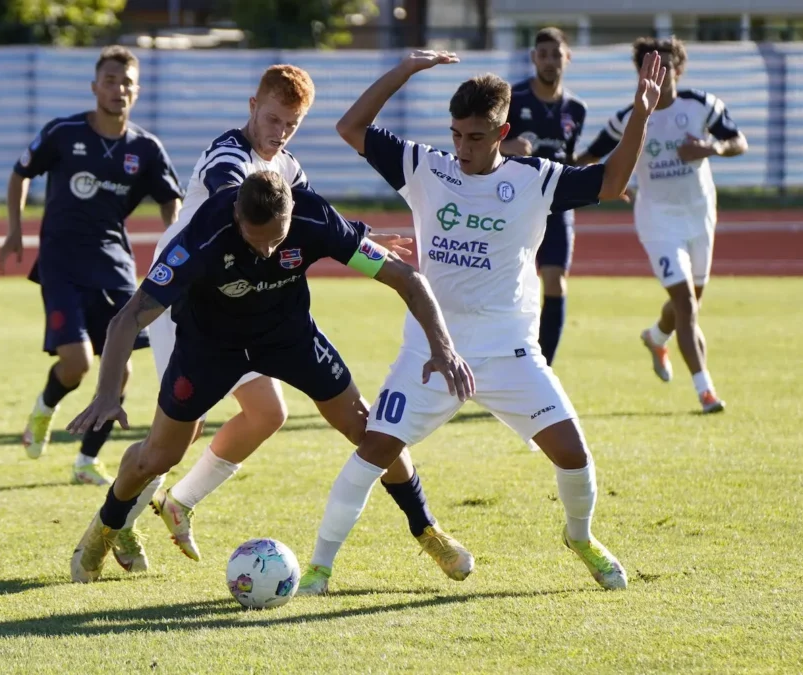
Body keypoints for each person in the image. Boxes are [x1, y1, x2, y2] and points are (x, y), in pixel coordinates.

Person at [296, 49, 669, 595]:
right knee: (374, 450)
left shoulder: (535, 180)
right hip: (430, 350)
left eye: (474, 137)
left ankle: (580, 538)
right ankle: (320, 568)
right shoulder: (426, 167)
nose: (462, 148)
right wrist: (404, 69)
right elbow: (351, 127)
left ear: (502, 132)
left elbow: (612, 183)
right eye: (456, 134)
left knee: (573, 454)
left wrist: (641, 112)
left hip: (509, 351)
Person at [66, 171, 476, 584]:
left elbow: (407, 278)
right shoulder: (203, 234)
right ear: (236, 215)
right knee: (159, 456)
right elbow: (128, 318)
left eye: (277, 239)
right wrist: (105, 395)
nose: (265, 250)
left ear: (292, 212)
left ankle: (427, 529)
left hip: (288, 338)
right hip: (209, 348)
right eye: (254, 238)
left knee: (371, 429)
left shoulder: (314, 217)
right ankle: (105, 527)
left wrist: (443, 349)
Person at [140, 65, 442, 569]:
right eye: (273, 118)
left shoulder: (289, 166)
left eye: (291, 124)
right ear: (253, 104)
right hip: (182, 301)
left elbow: (313, 218)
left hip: (245, 305)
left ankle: (179, 502)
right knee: (177, 433)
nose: (279, 132)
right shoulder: (228, 156)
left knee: (268, 414)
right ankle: (121, 521)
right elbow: (229, 198)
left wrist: (362, 237)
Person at [0, 45, 183, 485]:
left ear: (137, 92)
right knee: (77, 363)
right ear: (95, 86)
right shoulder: (63, 133)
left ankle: (86, 461)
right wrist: (14, 228)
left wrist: (174, 245)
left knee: (122, 367)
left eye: (127, 84)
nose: (119, 89)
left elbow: (171, 199)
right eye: (111, 81)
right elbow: (21, 172)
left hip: (114, 264)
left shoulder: (147, 148)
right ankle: (44, 408)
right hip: (61, 262)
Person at [576, 36, 748, 414]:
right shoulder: (628, 117)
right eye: (649, 66)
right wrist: (605, 184)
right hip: (657, 219)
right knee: (686, 303)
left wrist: (712, 148)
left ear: (679, 69)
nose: (659, 72)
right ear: (640, 73)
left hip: (700, 214)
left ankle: (656, 337)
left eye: (666, 65)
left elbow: (738, 141)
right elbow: (587, 157)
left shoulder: (701, 105)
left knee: (688, 303)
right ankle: (706, 392)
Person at [501, 27, 587, 367]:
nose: (550, 61)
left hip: (556, 206)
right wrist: (507, 147)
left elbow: (571, 160)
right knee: (509, 287)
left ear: (568, 57)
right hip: (513, 204)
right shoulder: (512, 98)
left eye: (557, 54)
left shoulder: (577, 110)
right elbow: (480, 143)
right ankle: (499, 359)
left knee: (555, 282)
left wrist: (605, 181)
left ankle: (541, 367)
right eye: (544, 54)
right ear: (534, 58)